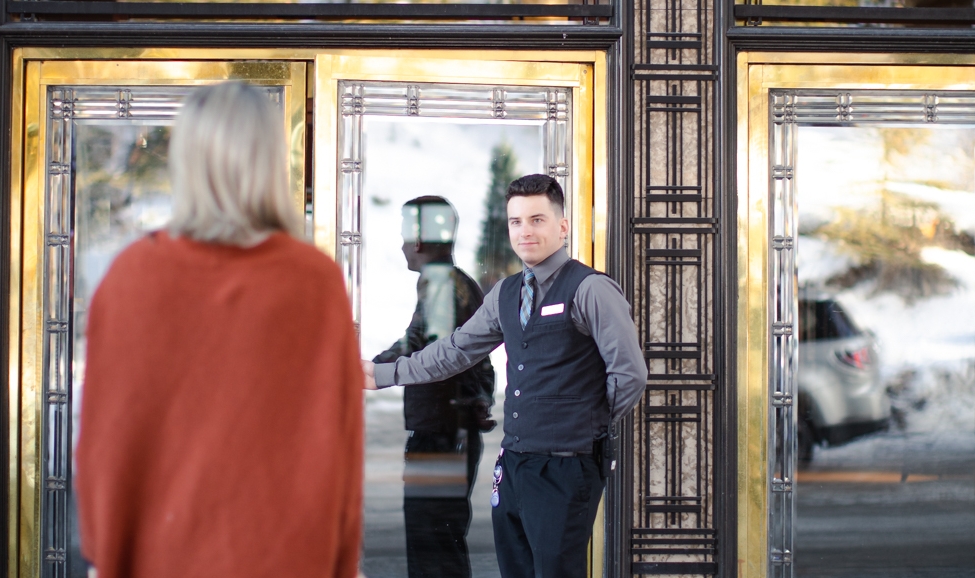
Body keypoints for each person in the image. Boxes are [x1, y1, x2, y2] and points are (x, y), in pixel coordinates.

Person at [75, 81, 364, 578]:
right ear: (271, 160)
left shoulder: (132, 278)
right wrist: (340, 561)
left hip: (160, 558)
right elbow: (340, 441)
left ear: (186, 160)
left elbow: (104, 442)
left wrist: (106, 554)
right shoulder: (314, 282)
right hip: (288, 558)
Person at [362, 174, 648, 578]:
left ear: (562, 227)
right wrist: (384, 373)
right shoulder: (506, 293)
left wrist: (589, 428)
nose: (525, 231)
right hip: (513, 463)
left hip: (567, 467)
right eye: (516, 221)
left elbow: (630, 374)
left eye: (537, 219)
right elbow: (456, 350)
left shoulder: (591, 290)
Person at [372, 196, 496, 578]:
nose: (402, 245)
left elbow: (430, 350)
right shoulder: (453, 282)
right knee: (440, 538)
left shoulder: (442, 281)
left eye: (405, 236)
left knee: (434, 543)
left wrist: (363, 369)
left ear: (420, 241)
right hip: (451, 429)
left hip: (444, 433)